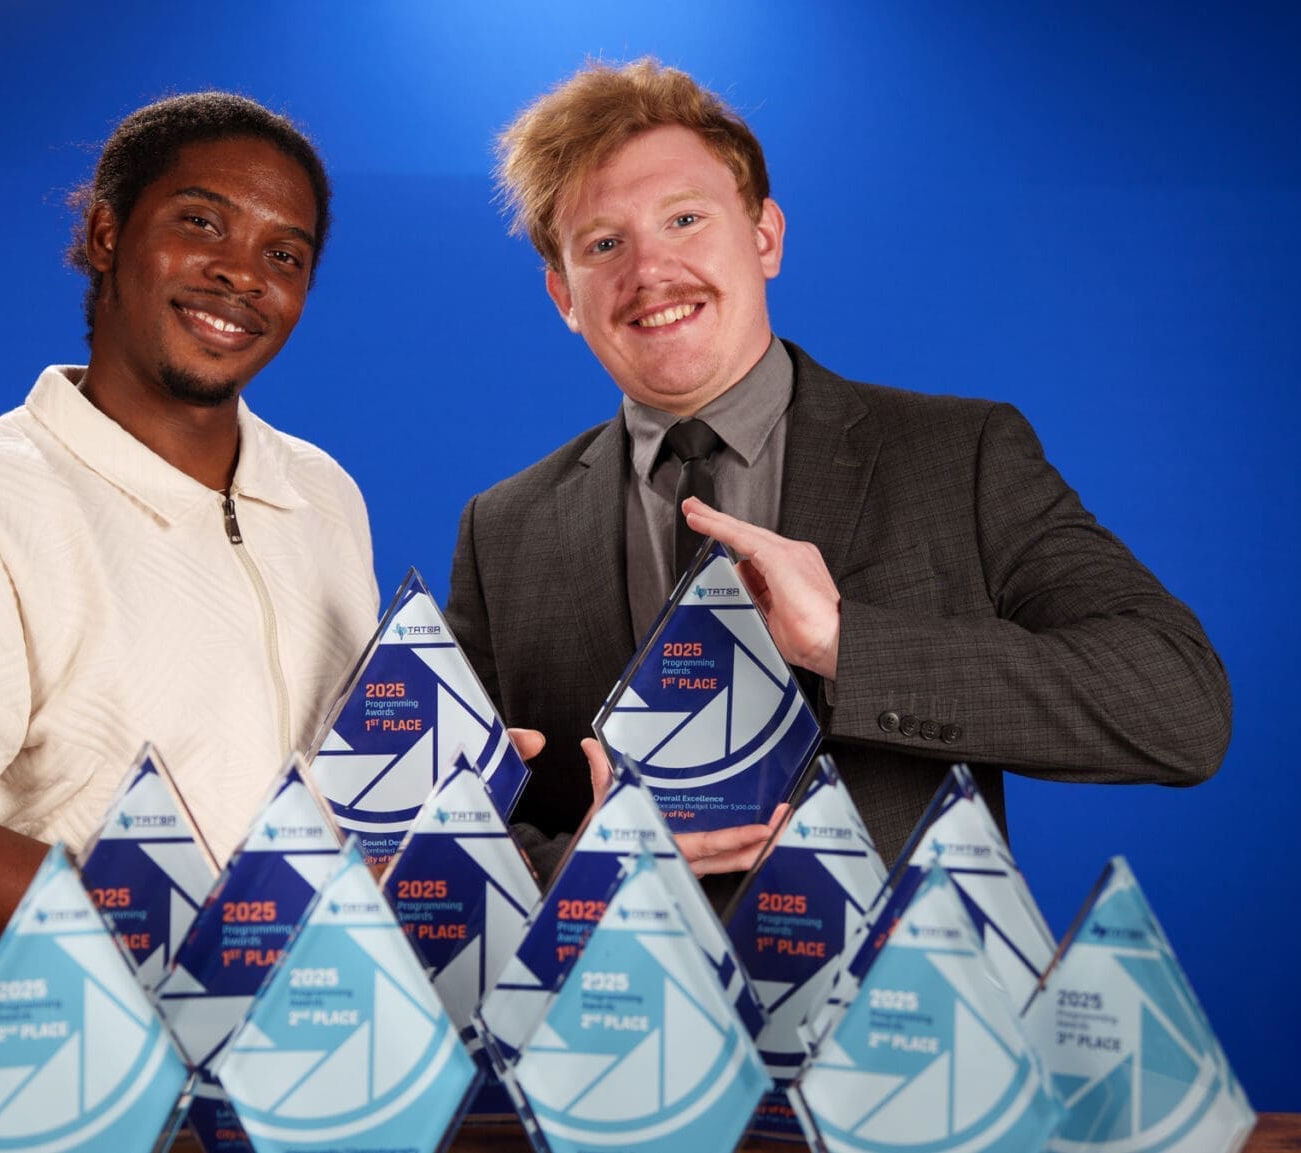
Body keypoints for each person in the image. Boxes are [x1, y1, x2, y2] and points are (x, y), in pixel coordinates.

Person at [444, 60, 1233, 886]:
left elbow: (1181, 707)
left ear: (765, 237)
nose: (650, 271)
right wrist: (575, 862)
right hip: (619, 1008)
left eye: (684, 219)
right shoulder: (504, 530)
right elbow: (445, 844)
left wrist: (847, 642)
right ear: (564, 296)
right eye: (604, 244)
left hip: (902, 1010)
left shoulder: (960, 457)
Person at [0, 93, 382, 933]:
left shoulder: (323, 493)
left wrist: (433, 791)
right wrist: (192, 931)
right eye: (202, 223)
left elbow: (321, 801)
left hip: (310, 1047)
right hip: (87, 1055)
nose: (243, 273)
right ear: (106, 234)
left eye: (284, 255)